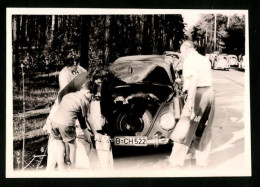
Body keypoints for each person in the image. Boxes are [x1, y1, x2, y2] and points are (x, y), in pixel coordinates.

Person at [168, 40, 215, 168]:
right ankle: (202, 163)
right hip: (210, 93)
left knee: (185, 127)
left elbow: (194, 80)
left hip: (198, 95)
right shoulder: (204, 59)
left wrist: (190, 104)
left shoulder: (189, 60)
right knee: (204, 129)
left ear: (187, 49)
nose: (181, 55)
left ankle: (175, 162)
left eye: (182, 52)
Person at [48, 83, 101, 169]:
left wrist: (85, 130)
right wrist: (94, 133)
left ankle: (61, 168)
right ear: (87, 92)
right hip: (66, 124)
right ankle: (73, 168)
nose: (91, 98)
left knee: (59, 145)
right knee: (73, 146)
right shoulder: (84, 101)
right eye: (91, 95)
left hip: (54, 123)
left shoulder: (69, 95)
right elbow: (87, 118)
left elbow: (79, 115)